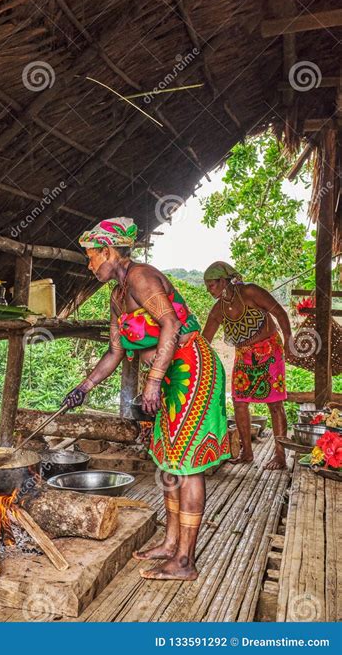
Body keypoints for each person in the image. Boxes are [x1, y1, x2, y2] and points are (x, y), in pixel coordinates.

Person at [62, 218, 229, 581]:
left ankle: (185, 561)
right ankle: (171, 545)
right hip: (169, 378)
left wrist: (152, 381)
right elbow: (115, 351)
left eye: (92, 257)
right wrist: (84, 387)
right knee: (170, 460)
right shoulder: (117, 296)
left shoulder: (141, 277)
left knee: (188, 463)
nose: (89, 265)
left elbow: (170, 324)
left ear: (108, 251)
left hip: (193, 371)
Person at [202, 261, 293, 471]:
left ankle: (280, 456)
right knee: (240, 402)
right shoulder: (218, 310)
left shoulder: (250, 292)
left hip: (270, 350)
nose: (208, 290)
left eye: (212, 285)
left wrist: (288, 341)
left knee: (275, 403)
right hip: (244, 356)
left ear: (223, 281)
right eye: (207, 286)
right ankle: (247, 452)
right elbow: (204, 340)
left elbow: (280, 313)